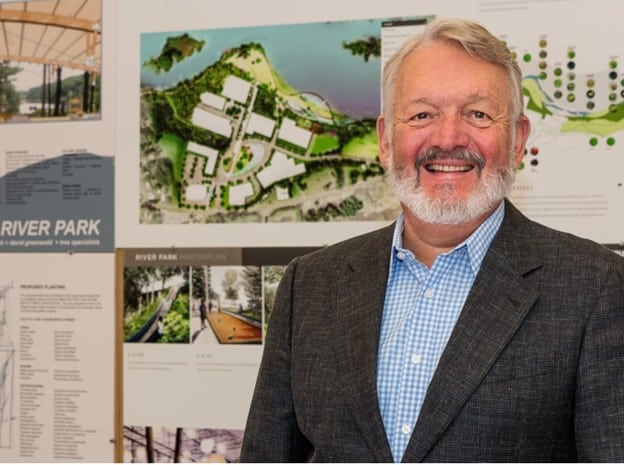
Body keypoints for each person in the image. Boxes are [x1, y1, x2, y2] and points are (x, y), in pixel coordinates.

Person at [240, 17, 624, 463]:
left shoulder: (596, 287)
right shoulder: (309, 284)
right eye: (422, 115)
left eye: (478, 114)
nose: (448, 138)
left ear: (518, 139)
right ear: (386, 140)